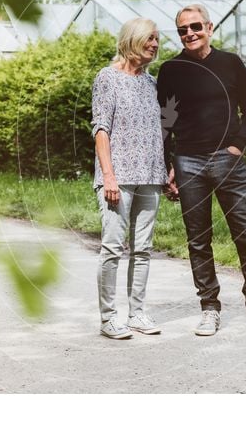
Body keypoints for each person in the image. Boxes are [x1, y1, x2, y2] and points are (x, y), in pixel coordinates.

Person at [157, 4, 246, 338]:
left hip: (229, 160)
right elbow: (165, 121)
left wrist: (238, 146)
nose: (190, 34)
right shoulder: (171, 70)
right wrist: (168, 164)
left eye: (195, 26)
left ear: (209, 27)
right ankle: (209, 307)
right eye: (182, 29)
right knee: (198, 239)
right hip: (188, 162)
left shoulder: (230, 63)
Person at [91, 18, 168, 339]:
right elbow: (101, 128)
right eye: (149, 39)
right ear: (133, 40)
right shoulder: (107, 78)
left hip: (151, 176)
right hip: (118, 179)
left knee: (143, 250)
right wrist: (108, 175)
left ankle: (137, 313)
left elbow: (159, 131)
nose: (155, 45)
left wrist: (168, 170)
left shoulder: (152, 84)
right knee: (112, 248)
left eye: (156, 40)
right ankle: (109, 318)